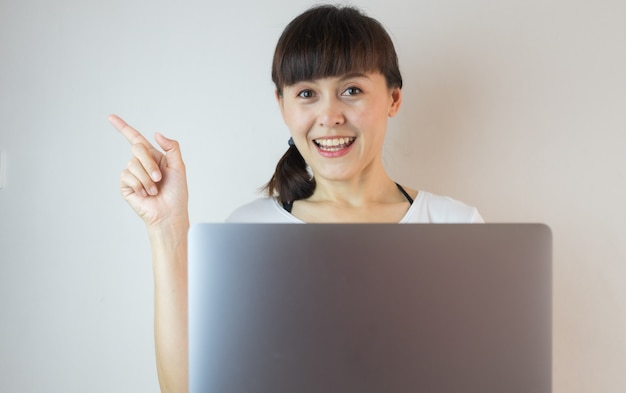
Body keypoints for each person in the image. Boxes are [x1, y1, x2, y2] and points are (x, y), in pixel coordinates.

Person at [110, 4, 482, 393]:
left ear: (393, 99)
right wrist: (166, 227)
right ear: (282, 105)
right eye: (307, 93)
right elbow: (186, 387)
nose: (330, 115)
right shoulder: (248, 231)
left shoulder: (455, 225)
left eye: (351, 90)